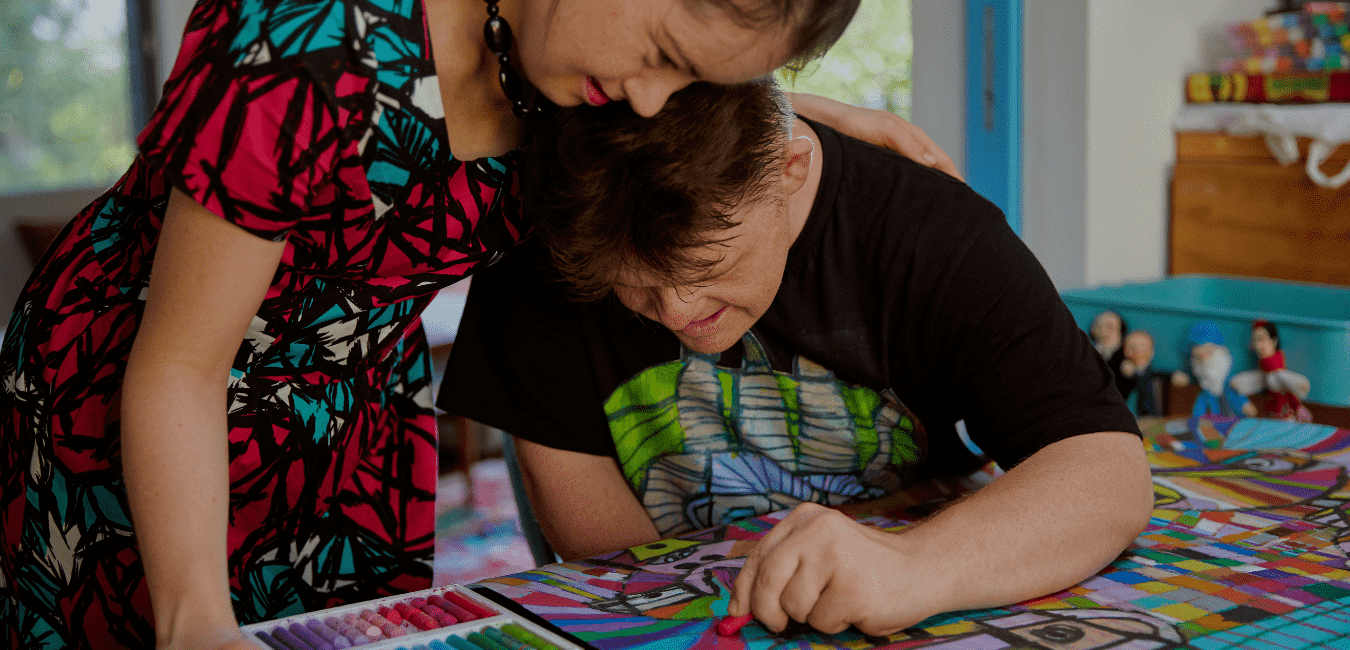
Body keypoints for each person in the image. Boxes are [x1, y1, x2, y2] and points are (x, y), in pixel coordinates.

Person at [0, 0, 962, 647]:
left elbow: (674, 100)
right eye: (665, 56)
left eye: (695, 82)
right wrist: (194, 622)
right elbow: (177, 371)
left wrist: (797, 118)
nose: (650, 99)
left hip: (349, 416)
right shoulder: (312, 40)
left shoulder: (573, 63)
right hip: (138, 421)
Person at [439, 80, 1154, 637]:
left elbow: (1107, 471)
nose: (680, 313)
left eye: (709, 266)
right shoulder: (545, 254)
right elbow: (617, 572)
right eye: (635, 288)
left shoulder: (936, 234)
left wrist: (915, 567)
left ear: (789, 167)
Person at [1172, 322, 1257, 419]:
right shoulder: (1205, 391)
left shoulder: (1229, 382)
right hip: (1216, 424)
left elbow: (1237, 394)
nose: (1205, 358)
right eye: (1200, 357)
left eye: (1208, 352)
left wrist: (1245, 403)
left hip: (1237, 422)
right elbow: (1197, 413)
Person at [1230, 320, 1312, 421]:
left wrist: (1300, 385)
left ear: (1274, 341)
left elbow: (1287, 378)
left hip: (1284, 413)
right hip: (1269, 412)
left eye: (1261, 339)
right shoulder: (1264, 371)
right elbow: (1257, 379)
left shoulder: (1277, 370)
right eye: (1255, 340)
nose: (1258, 346)